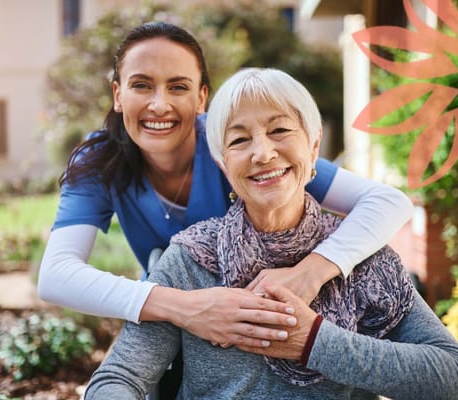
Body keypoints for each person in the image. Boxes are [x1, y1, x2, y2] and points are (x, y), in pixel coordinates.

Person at [37, 21, 413, 397]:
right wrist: (186, 307)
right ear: (118, 95)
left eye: (178, 87)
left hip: (260, 328)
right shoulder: (100, 159)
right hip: (171, 326)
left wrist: (311, 272)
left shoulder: (239, 149)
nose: (159, 103)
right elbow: (56, 274)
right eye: (141, 85)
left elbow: (388, 202)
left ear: (202, 99)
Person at [83, 67, 458, 399]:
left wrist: (313, 341)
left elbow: (456, 380)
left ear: (313, 146)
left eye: (280, 130)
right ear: (223, 165)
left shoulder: (365, 259)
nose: (263, 153)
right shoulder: (191, 259)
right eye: (239, 140)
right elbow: (118, 379)